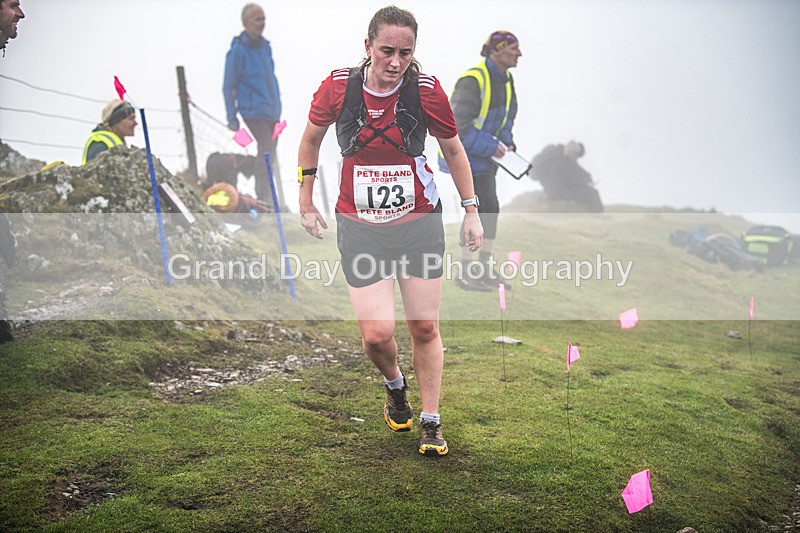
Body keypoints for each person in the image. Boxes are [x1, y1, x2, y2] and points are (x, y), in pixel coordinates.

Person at [297, 6, 483, 457]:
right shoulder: (338, 87)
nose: (395, 61)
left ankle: (431, 420)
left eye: (405, 52)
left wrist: (471, 209)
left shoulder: (426, 91)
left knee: (423, 325)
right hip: (360, 227)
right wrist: (305, 200)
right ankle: (395, 385)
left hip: (419, 222)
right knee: (377, 335)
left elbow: (454, 151)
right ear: (368, 47)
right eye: (386, 51)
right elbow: (310, 141)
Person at [444, 30, 521, 291]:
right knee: (474, 209)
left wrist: (507, 143)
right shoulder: (472, 80)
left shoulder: (506, 80)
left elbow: (506, 119)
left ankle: (484, 268)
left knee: (491, 207)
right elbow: (458, 128)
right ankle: (466, 272)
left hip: (487, 158)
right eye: (514, 49)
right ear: (497, 51)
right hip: (465, 158)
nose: (519, 54)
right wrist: (493, 146)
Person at [223, 3, 283, 208]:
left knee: (270, 151)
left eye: (263, 18)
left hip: (271, 110)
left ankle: (268, 196)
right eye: (257, 19)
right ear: (246, 22)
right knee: (266, 147)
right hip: (252, 110)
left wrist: (277, 108)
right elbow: (228, 85)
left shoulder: (266, 47)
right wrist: (232, 117)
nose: (262, 23)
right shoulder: (237, 51)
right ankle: (264, 196)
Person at [530, 140, 603, 212]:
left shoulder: (563, 158)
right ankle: (597, 215)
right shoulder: (557, 157)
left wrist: (588, 179)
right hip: (557, 191)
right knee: (591, 194)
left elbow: (579, 172)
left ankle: (596, 214)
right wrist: (586, 183)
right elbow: (574, 176)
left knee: (591, 193)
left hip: (558, 189)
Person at [82, 100, 137, 165]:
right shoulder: (100, 143)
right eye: (130, 119)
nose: (135, 123)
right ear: (116, 121)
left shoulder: (116, 141)